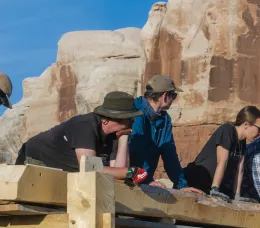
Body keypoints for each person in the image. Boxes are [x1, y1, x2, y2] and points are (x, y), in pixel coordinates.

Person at [15, 91, 148, 184]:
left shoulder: (113, 136)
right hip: (36, 162)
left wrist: (124, 138)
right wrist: (130, 172)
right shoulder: (85, 126)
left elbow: (118, 172)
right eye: (127, 119)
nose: (132, 122)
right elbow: (91, 168)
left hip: (62, 170)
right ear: (107, 119)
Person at [129, 75, 201, 193]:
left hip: (144, 180)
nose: (174, 99)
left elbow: (170, 156)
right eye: (174, 95)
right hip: (126, 178)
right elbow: (135, 151)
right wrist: (146, 180)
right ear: (165, 95)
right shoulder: (135, 111)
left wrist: (182, 185)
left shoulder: (165, 119)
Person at [183, 106, 260, 201]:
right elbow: (222, 161)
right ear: (246, 124)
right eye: (259, 129)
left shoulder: (242, 141)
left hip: (209, 186)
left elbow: (240, 169)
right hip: (195, 181)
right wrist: (215, 189)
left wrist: (237, 194)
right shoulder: (227, 130)